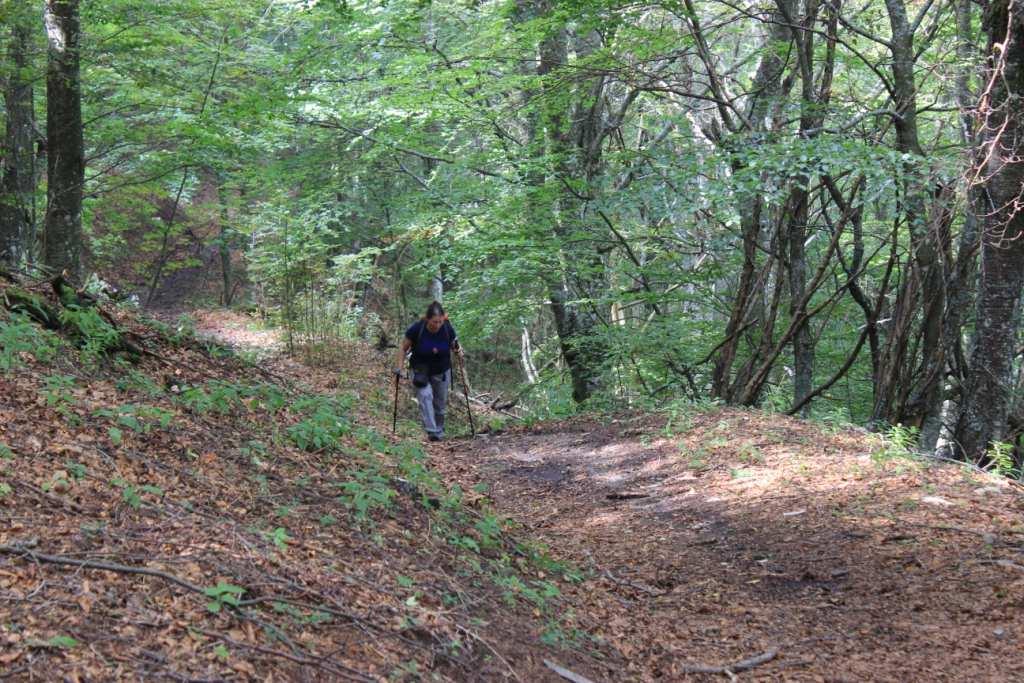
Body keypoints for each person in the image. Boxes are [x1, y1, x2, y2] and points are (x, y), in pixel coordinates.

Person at [394, 301, 462, 442]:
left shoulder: (447, 328)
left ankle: (439, 430)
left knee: (440, 404)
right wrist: (399, 368)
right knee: (425, 397)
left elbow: (455, 346)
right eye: (434, 322)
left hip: (441, 370)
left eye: (440, 322)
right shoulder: (417, 329)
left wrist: (458, 351)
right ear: (427, 319)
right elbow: (403, 348)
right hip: (420, 370)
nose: (437, 325)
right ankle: (433, 432)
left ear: (444, 319)